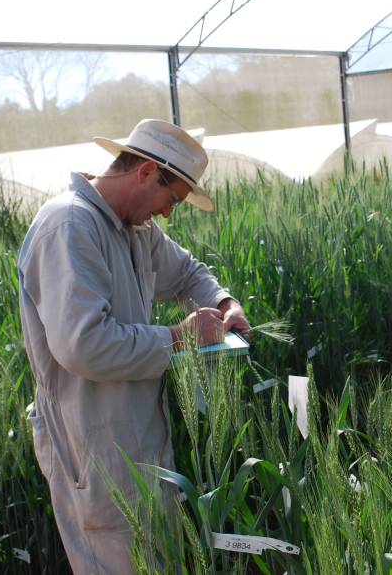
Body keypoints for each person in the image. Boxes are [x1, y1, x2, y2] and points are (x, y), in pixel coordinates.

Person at [18, 119, 250, 574]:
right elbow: (84, 346)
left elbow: (187, 274)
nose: (168, 214)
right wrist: (178, 338)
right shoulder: (69, 226)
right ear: (145, 172)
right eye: (173, 199)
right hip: (91, 444)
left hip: (137, 438)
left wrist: (225, 303)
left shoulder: (134, 230)